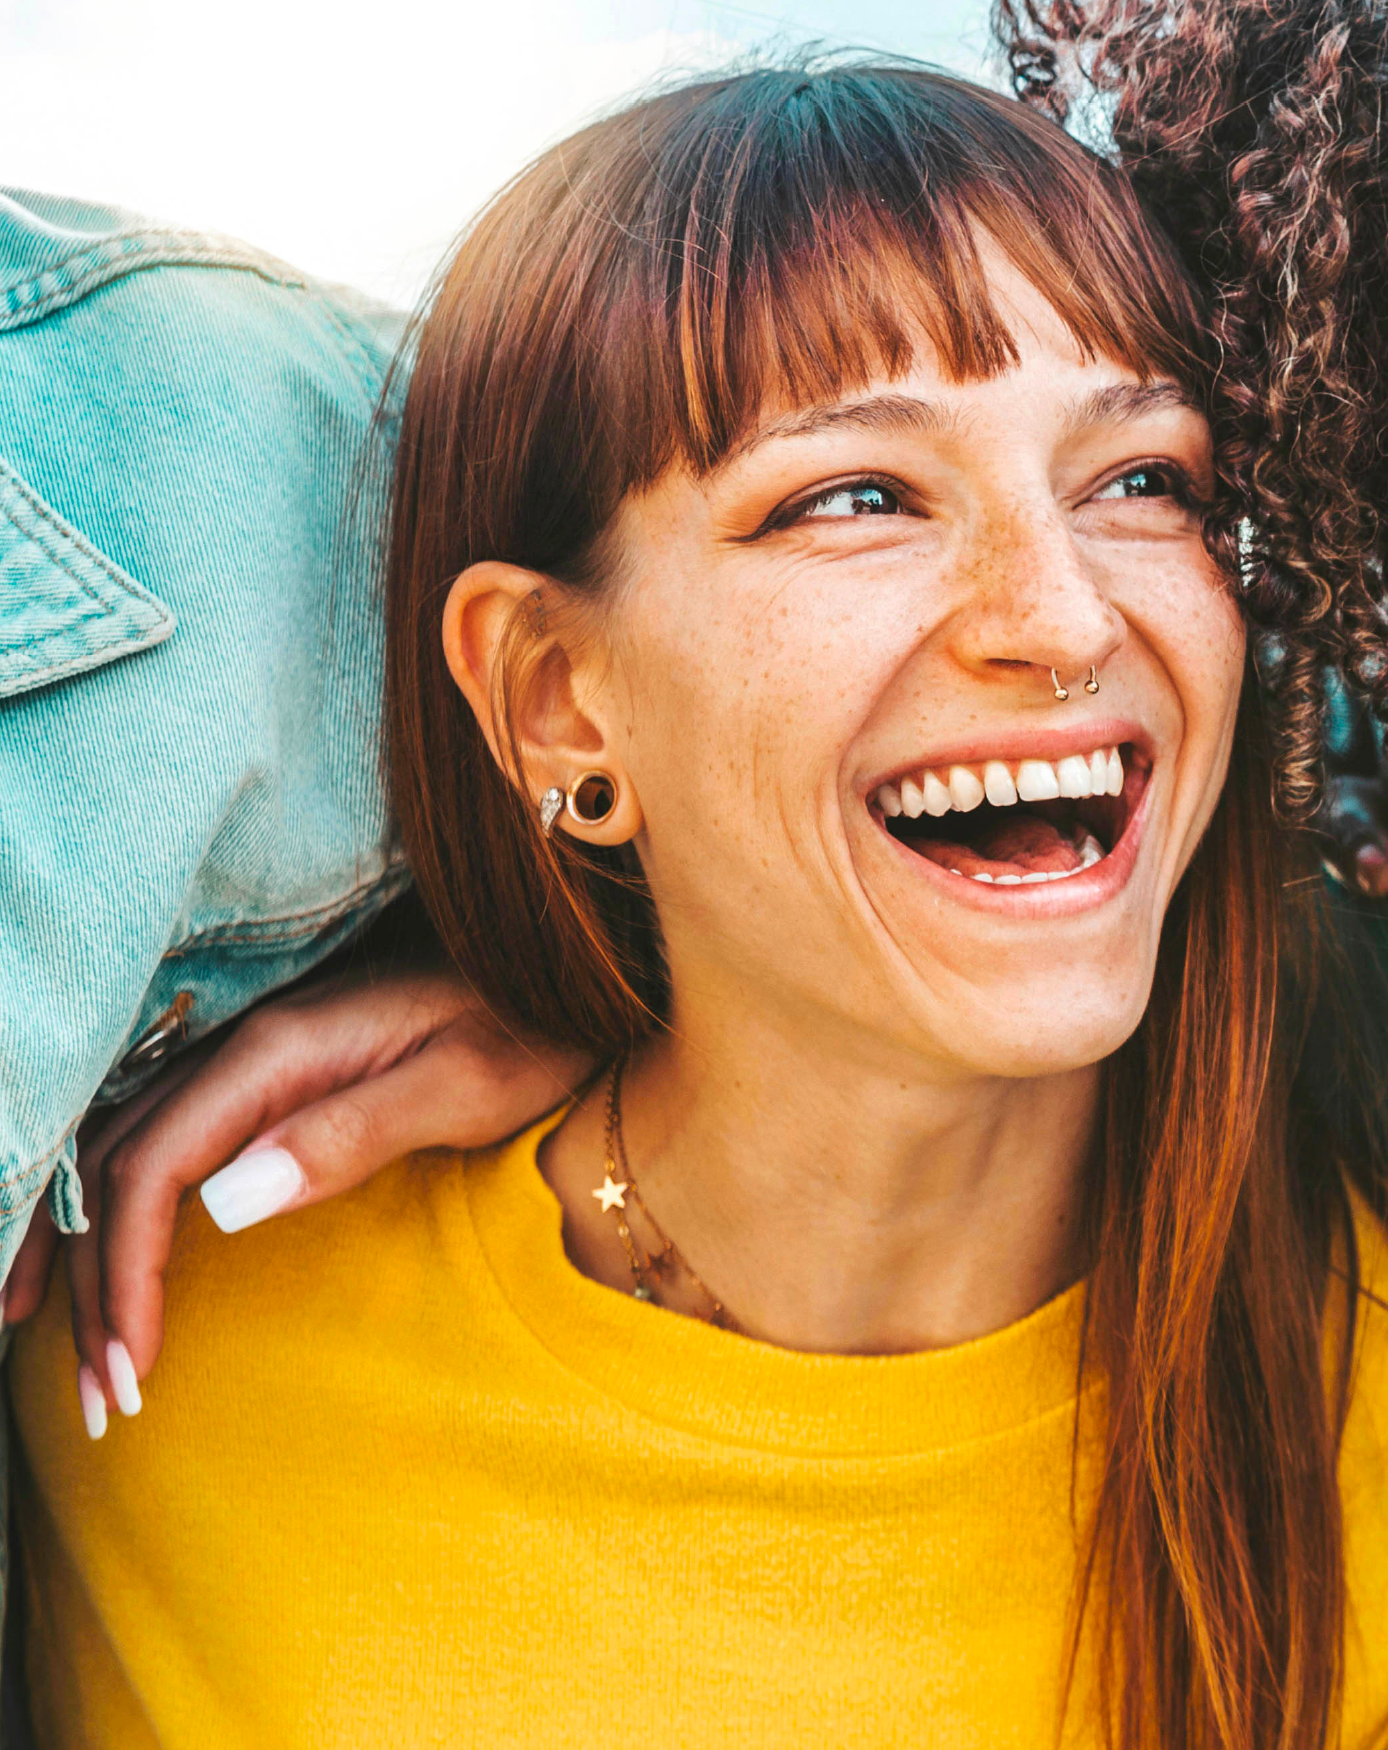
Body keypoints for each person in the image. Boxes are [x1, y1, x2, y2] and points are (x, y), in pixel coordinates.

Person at [9, 53, 1388, 1750]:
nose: (1064, 614)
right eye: (856, 497)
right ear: (555, 700)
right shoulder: (154, 1340)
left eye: (1142, 481)